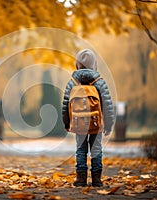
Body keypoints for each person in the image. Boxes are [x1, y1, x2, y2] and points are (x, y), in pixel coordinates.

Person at [62, 49, 115, 187]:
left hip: (79, 123)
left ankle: (81, 179)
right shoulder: (99, 82)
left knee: (81, 149)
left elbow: (66, 104)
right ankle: (96, 179)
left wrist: (67, 123)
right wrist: (109, 125)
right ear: (94, 64)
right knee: (96, 149)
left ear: (77, 64)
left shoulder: (72, 82)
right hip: (97, 124)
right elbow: (108, 105)